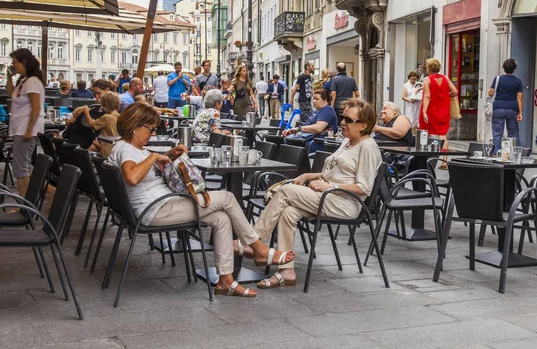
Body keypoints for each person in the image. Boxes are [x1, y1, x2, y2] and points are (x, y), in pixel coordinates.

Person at [110, 102, 294, 297]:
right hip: (156, 209)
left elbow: (141, 170)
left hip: (160, 205)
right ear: (134, 125)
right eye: (149, 128)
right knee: (227, 198)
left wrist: (167, 156)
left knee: (221, 218)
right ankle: (259, 249)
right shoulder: (126, 149)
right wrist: (154, 157)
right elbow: (131, 177)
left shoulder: (129, 147)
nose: (152, 133)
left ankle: (225, 280)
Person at [245, 98, 381, 288]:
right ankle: (287, 271)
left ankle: (254, 242)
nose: (342, 122)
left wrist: (329, 187)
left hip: (344, 203)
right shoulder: (348, 141)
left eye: (349, 120)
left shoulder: (367, 147)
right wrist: (309, 175)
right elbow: (332, 174)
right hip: (326, 197)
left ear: (364, 125)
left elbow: (364, 188)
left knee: (285, 190)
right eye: (343, 117)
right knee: (288, 213)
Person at [6, 48, 45, 196]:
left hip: (25, 129)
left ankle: (26, 203)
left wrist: (29, 130)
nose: (13, 65)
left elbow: (36, 107)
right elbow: (11, 94)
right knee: (22, 167)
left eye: (14, 62)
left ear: (24, 63)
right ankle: (49, 193)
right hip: (20, 128)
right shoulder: (24, 80)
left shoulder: (32, 81)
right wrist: (9, 77)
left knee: (20, 168)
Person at [419, 58, 458, 169]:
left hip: (431, 109)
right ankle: (444, 161)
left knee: (427, 133)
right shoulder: (445, 78)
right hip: (444, 109)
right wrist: (446, 95)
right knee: (443, 135)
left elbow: (427, 96)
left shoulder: (427, 79)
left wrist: (424, 111)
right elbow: (455, 91)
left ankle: (426, 160)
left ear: (429, 68)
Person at [488, 58, 524, 154]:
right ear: (514, 69)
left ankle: (496, 153)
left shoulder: (497, 79)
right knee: (514, 133)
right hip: (512, 108)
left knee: (497, 133)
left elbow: (490, 93)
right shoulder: (518, 81)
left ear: (504, 68)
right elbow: (519, 98)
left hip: (498, 107)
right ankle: (516, 153)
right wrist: (520, 112)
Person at [74, 91, 120, 157]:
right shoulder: (120, 116)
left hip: (106, 149)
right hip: (116, 149)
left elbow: (91, 125)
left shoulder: (106, 117)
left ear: (105, 105)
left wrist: (86, 112)